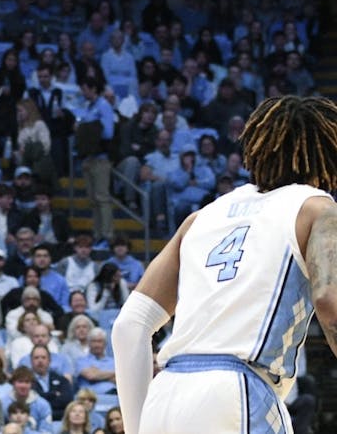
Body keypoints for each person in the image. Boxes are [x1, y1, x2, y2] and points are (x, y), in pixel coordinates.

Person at [112, 95, 337, 434]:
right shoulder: (316, 208)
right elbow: (329, 301)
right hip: (236, 392)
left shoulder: (201, 217)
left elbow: (129, 326)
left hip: (164, 397)